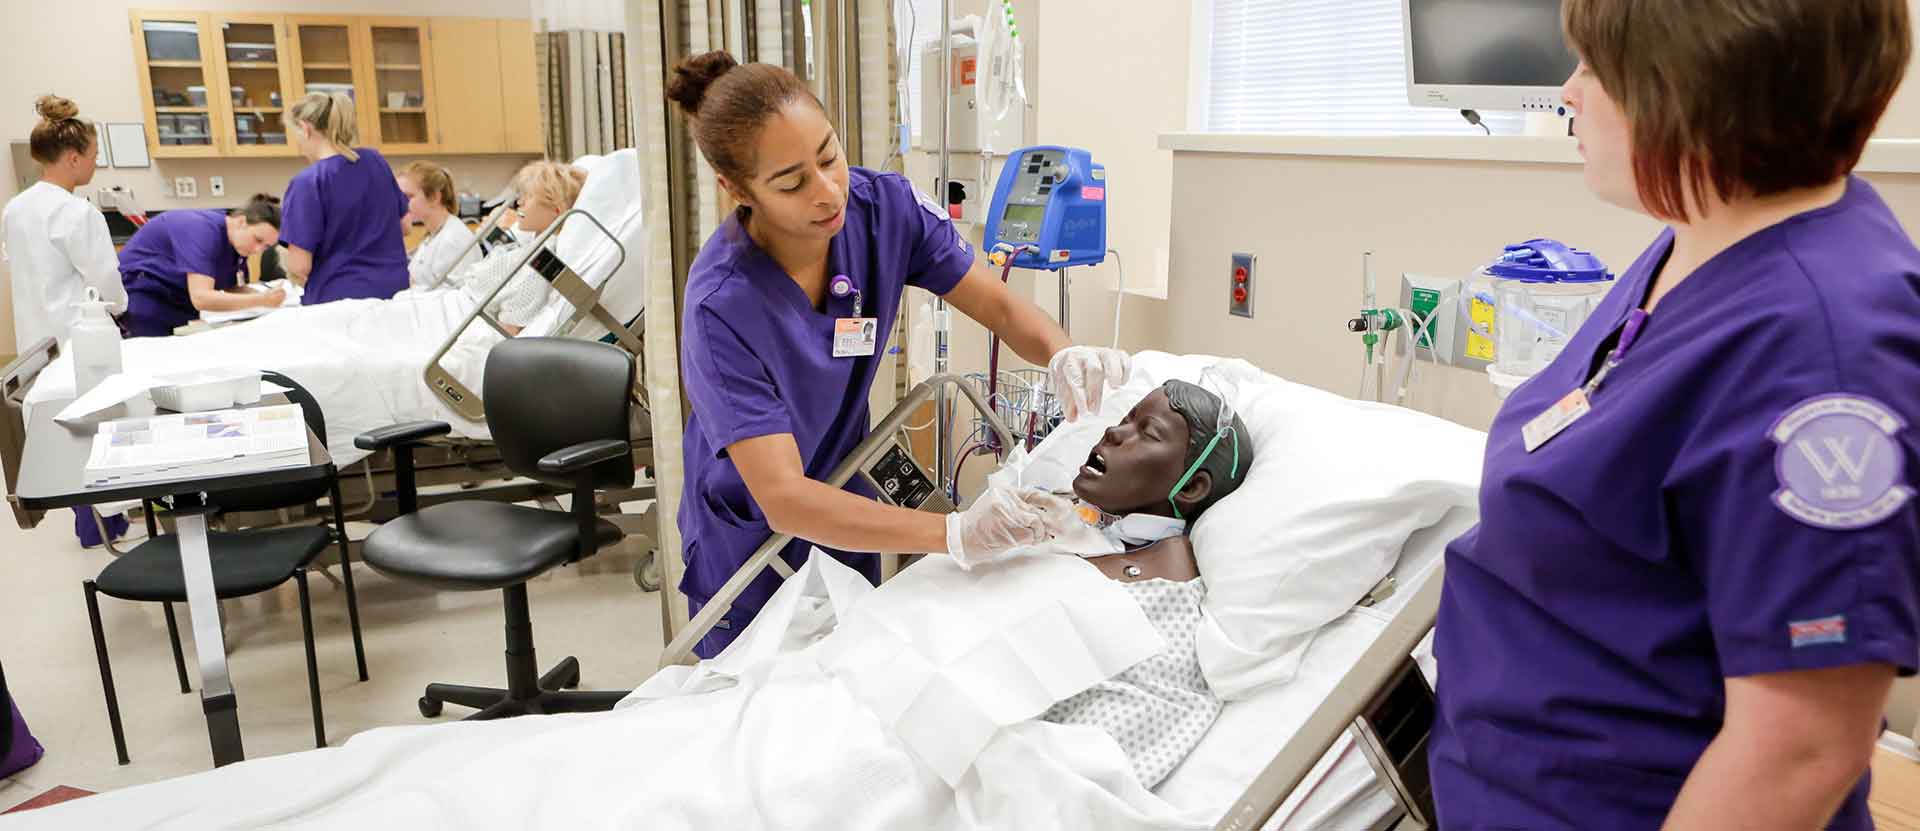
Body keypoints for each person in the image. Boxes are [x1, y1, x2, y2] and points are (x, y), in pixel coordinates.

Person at [1428, 3, 1919, 829]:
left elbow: (1803, 744)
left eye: (1594, 69)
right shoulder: (1699, 240)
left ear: (1693, 87)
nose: (1568, 92)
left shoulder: (1822, 354)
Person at [666, 51, 1126, 657]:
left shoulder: (884, 211)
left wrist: (1065, 353)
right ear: (736, 190)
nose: (828, 191)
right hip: (752, 543)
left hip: (844, 504)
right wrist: (957, 532)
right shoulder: (722, 305)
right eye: (792, 181)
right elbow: (782, 497)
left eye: (829, 156)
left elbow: (1002, 307)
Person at [1, 94, 128, 547]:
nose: (95, 164)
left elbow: (18, 264)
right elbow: (105, 281)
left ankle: (86, 519)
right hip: (81, 336)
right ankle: (106, 521)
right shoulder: (78, 212)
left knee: (63, 427)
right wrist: (118, 309)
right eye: (93, 156)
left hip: (37, 337)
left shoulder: (15, 208)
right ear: (73, 158)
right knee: (98, 425)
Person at [278, 92, 409, 305]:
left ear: (305, 128)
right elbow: (405, 226)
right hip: (392, 295)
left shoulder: (308, 182)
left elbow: (300, 266)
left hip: (339, 304)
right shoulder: (375, 161)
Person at [117, 195, 284, 337]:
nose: (258, 250)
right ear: (241, 222)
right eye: (258, 240)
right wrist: (261, 300)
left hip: (176, 303)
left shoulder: (237, 246)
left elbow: (229, 287)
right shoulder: (203, 231)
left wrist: (265, 294)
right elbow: (202, 298)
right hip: (144, 299)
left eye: (266, 247)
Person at [399, 161, 479, 291]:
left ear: (435, 197)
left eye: (409, 196)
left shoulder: (453, 239)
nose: (401, 203)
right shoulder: (434, 234)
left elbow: (455, 297)